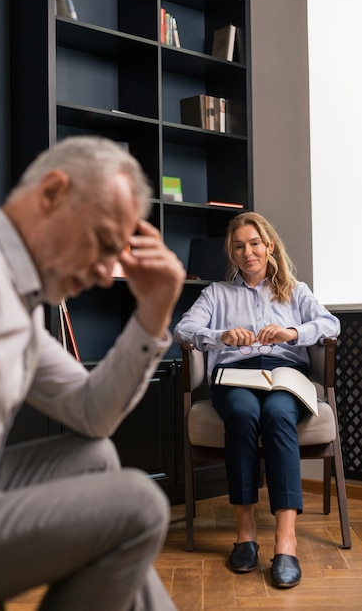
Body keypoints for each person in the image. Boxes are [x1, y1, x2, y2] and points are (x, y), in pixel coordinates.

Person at [0, 136, 185, 610]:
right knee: (139, 504)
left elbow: (93, 413)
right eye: (102, 243)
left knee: (94, 456)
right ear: (53, 193)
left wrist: (154, 312)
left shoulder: (20, 301)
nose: (103, 273)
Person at [174, 211, 340, 588]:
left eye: (254, 244)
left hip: (286, 375)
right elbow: (183, 329)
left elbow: (331, 324)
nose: (248, 252)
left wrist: (291, 332)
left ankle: (286, 541)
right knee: (244, 414)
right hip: (234, 376)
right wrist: (222, 337)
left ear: (268, 247)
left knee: (280, 415)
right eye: (239, 246)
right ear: (231, 254)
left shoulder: (296, 290)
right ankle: (245, 534)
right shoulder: (217, 294)